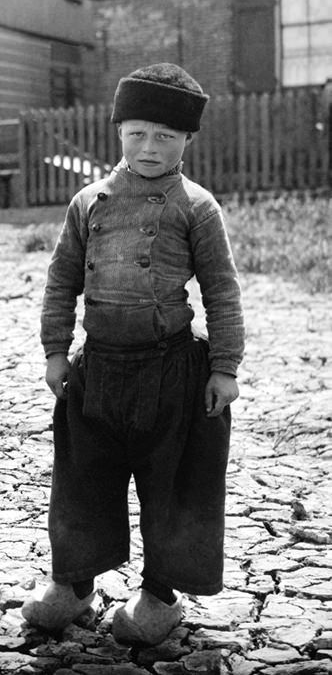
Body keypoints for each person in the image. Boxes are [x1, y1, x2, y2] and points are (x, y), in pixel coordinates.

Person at [23, 63, 245, 645]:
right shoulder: (88, 202)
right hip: (98, 369)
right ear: (118, 129)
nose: (150, 148)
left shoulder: (196, 206)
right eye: (137, 133)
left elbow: (222, 291)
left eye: (166, 137)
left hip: (170, 370)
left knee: (171, 486)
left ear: (187, 141)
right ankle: (74, 583)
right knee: (81, 480)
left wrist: (224, 367)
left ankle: (160, 594)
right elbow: (61, 281)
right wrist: (55, 352)